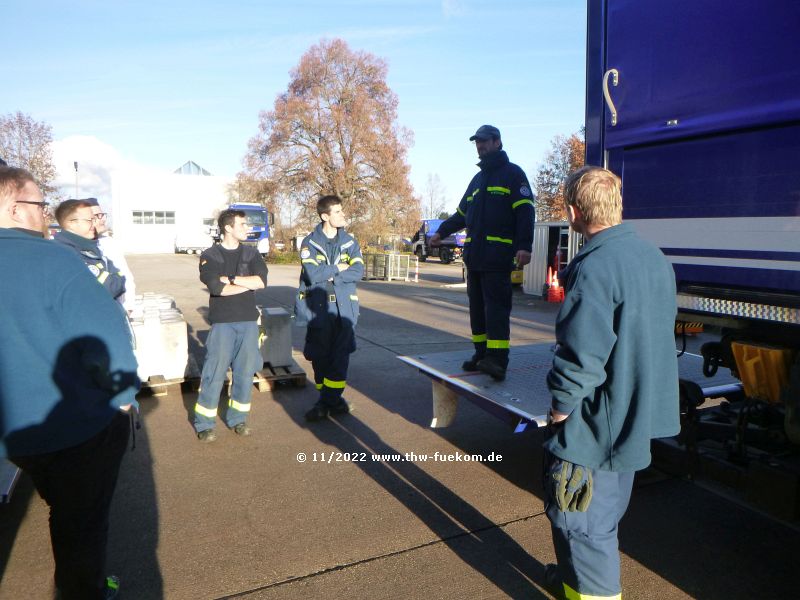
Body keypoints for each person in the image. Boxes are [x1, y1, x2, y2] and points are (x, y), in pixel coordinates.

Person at [0, 166, 139, 599]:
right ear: (14, 208)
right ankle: (86, 590)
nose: (46, 215)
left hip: (14, 433)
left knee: (61, 505)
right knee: (81, 524)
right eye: (40, 205)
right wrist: (124, 397)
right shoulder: (54, 258)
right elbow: (105, 339)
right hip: (75, 427)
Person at [542, 166, 680, 599]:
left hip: (595, 424)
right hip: (632, 417)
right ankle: (573, 584)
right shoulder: (653, 257)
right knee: (601, 518)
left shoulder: (596, 266)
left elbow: (583, 355)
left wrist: (560, 408)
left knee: (581, 523)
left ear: (572, 211)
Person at [431, 124, 534, 381]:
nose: (480, 146)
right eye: (477, 142)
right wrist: (441, 232)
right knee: (477, 310)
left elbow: (525, 211)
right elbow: (462, 215)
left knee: (496, 310)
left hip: (498, 258)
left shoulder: (513, 174)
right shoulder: (477, 180)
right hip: (475, 258)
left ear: (497, 142)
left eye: (485, 141)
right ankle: (482, 354)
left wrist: (525, 245)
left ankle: (498, 361)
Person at [194, 209, 268, 442]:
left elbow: (261, 282)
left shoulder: (251, 253)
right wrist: (247, 284)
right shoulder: (210, 255)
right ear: (228, 227)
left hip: (248, 322)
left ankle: (238, 419)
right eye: (243, 224)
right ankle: (204, 423)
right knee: (214, 374)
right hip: (223, 323)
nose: (247, 228)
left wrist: (234, 279)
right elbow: (217, 288)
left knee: (245, 373)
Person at [296, 194, 364, 422]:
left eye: (342, 211)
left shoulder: (350, 242)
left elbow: (358, 271)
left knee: (340, 356)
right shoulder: (309, 243)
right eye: (337, 212)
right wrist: (338, 268)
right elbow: (313, 274)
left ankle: (326, 403)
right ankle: (333, 401)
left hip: (345, 309)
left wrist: (331, 274)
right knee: (318, 356)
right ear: (325, 216)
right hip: (319, 309)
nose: (343, 215)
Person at [53, 199, 127, 301]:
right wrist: (114, 278)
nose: (94, 223)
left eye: (94, 219)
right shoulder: (66, 253)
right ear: (71, 224)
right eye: (90, 220)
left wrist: (116, 278)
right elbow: (108, 288)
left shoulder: (90, 247)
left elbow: (121, 276)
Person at [87, 198, 137, 313]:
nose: (102, 219)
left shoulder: (109, 243)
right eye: (96, 216)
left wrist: (129, 306)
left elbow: (126, 276)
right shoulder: (73, 249)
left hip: (119, 310)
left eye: (102, 215)